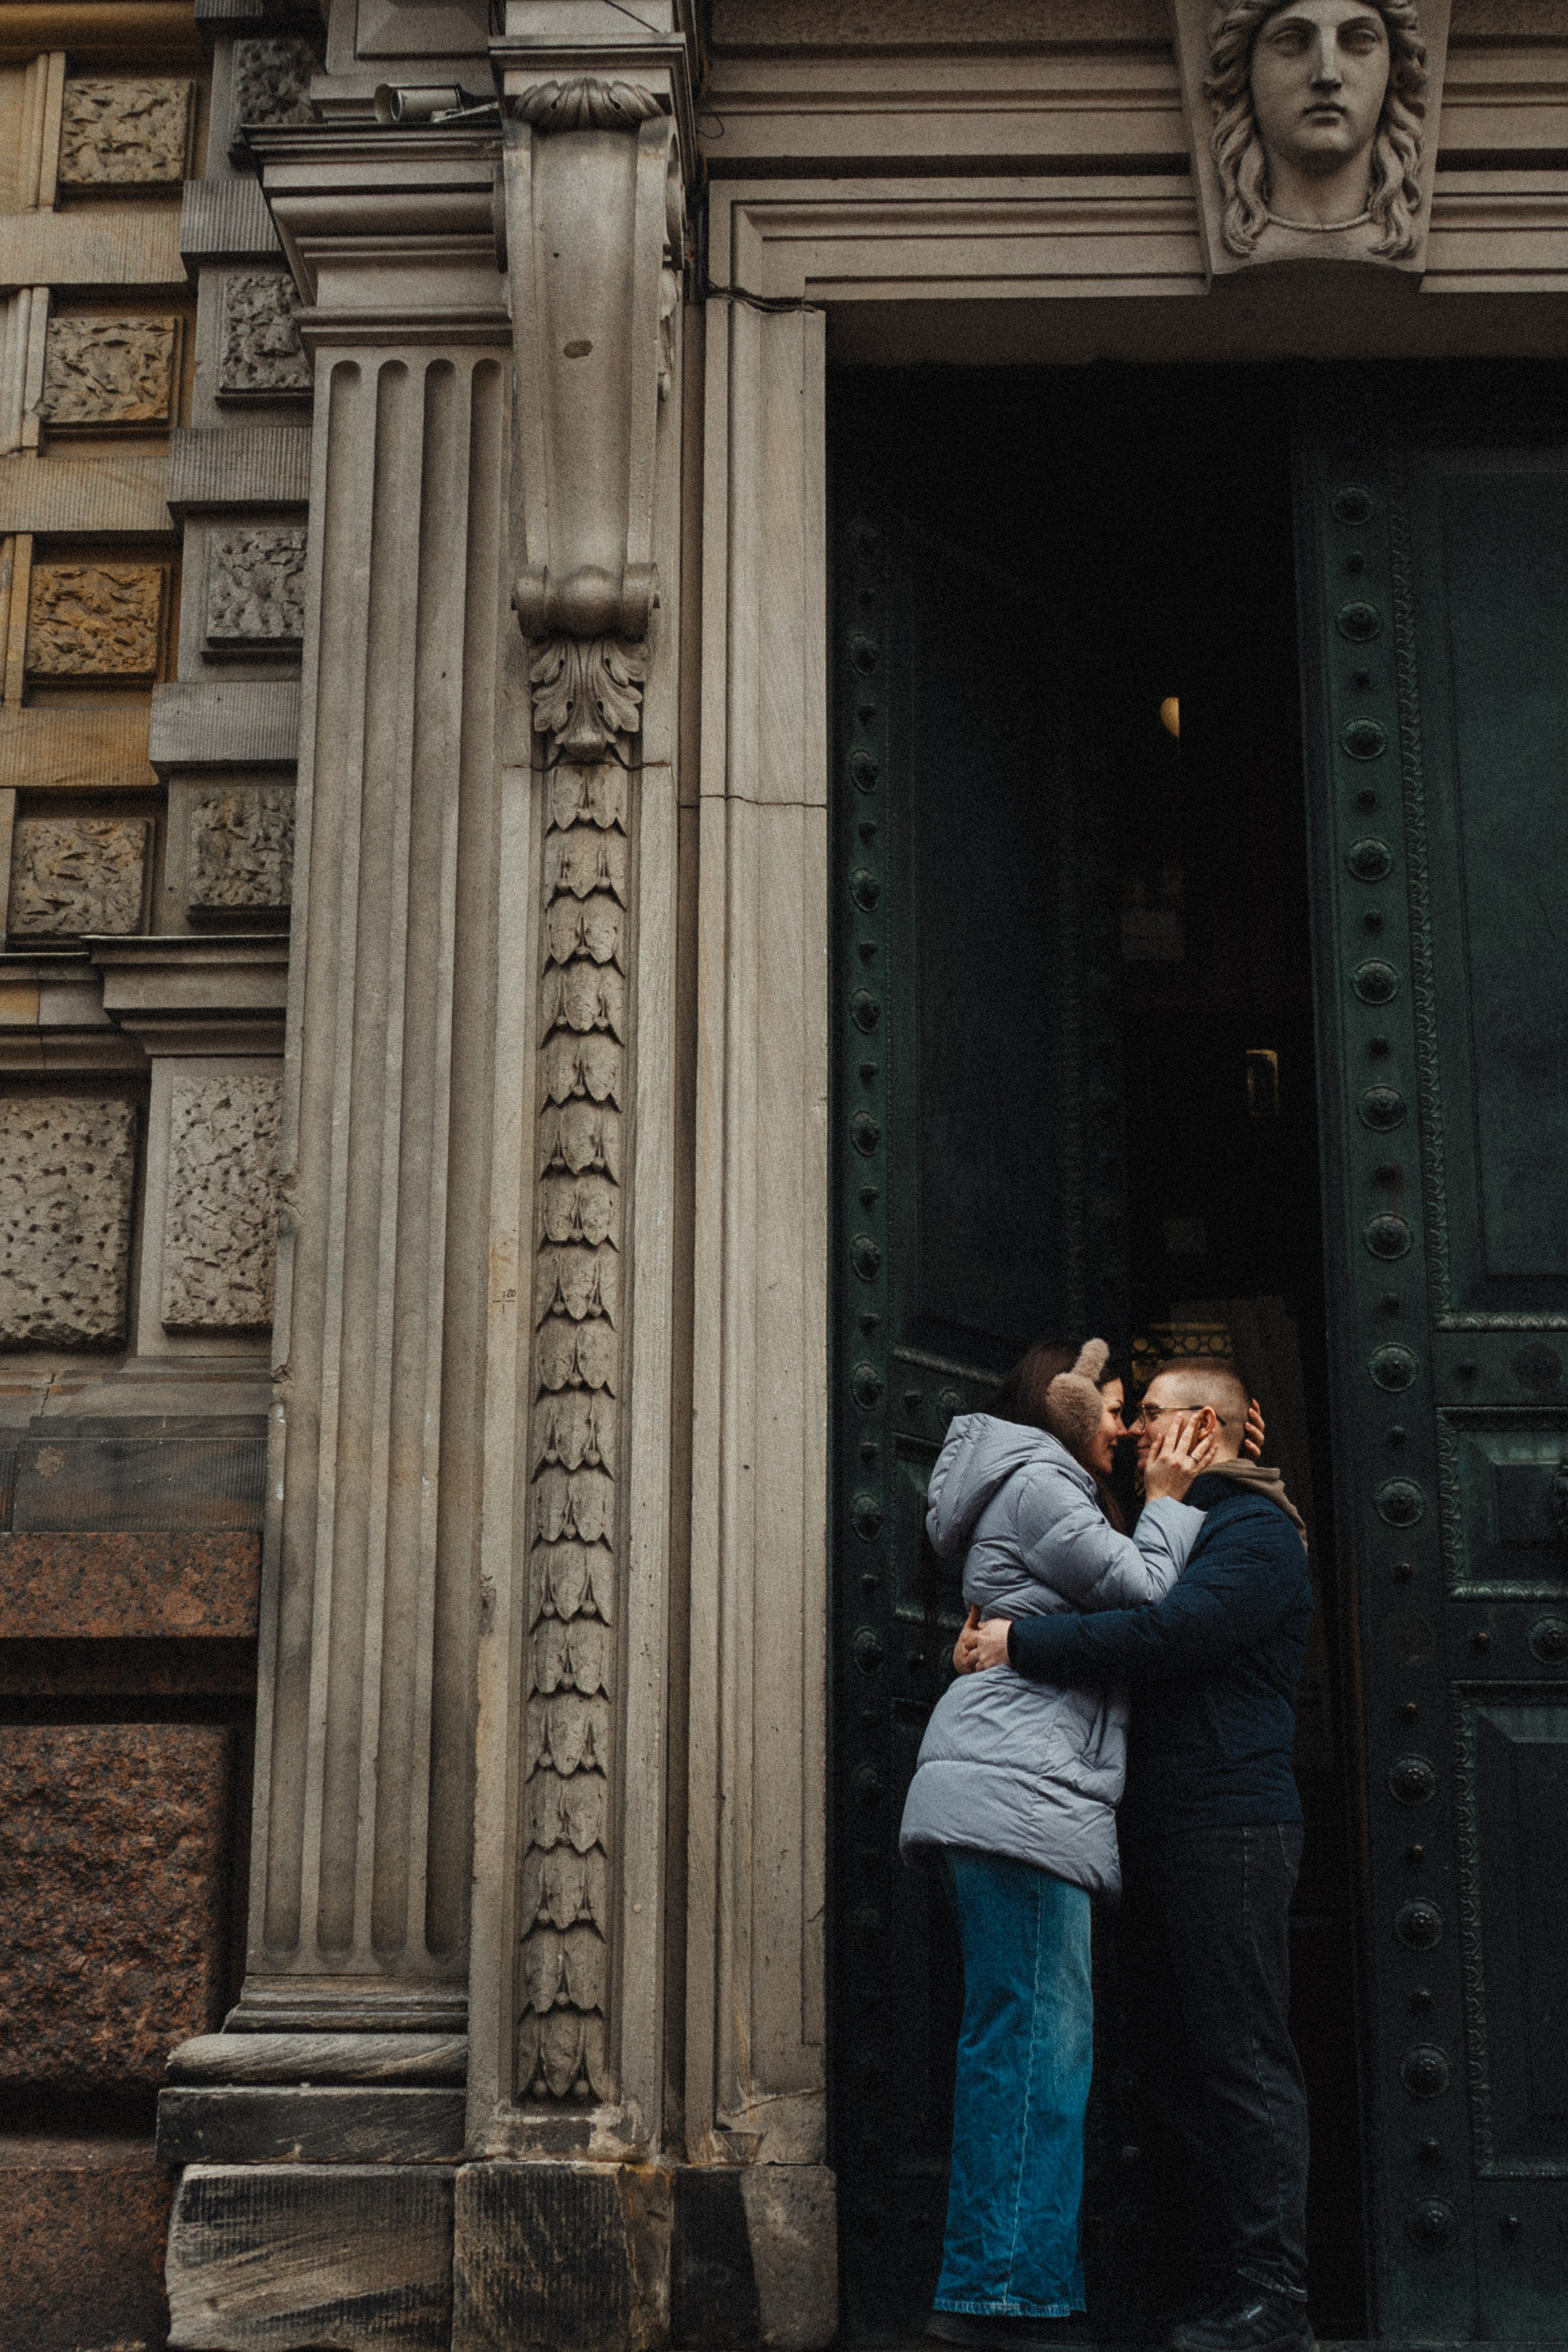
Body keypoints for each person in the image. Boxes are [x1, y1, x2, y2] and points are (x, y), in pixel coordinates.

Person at [962, 1360, 1316, 2352]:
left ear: (1203, 1429)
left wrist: (1020, 1645)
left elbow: (1171, 1630)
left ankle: (1272, 2298)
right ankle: (1204, 2283)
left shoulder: (1253, 1531)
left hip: (1230, 1829)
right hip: (1162, 1827)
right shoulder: (1170, 1528)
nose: (1128, 1434)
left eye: (1149, 1416)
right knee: (1176, 2060)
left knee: (1241, 2057)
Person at [900, 1338, 1218, 2352]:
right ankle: (1002, 2294)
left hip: (1021, 1790)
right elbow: (1148, 1594)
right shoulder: (1041, 1481)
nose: (1127, 1432)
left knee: (1026, 2042)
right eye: (1116, 1409)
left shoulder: (1034, 1487)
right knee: (1036, 2048)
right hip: (1022, 1798)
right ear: (1064, 1406)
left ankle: (1001, 2285)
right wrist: (1172, 1497)